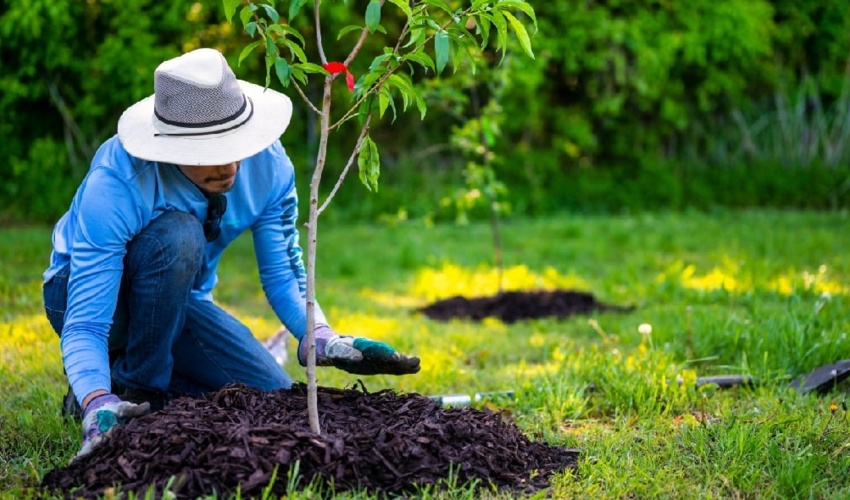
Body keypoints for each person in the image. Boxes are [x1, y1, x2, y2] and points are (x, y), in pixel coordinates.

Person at [42, 48, 420, 459]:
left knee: (268, 396)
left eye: (233, 143)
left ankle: (119, 384)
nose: (228, 166)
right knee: (179, 235)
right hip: (85, 297)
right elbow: (86, 322)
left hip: (178, 303)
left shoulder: (270, 166)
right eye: (206, 151)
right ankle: (127, 393)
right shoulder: (120, 180)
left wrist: (319, 335)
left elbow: (283, 271)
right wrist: (96, 400)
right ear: (170, 146)